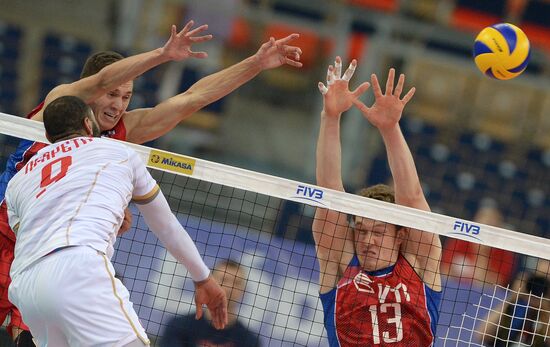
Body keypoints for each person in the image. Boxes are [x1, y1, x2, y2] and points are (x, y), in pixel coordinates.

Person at [0, 23, 303, 344]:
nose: (118, 105)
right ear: (89, 88)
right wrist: (163, 54)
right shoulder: (57, 106)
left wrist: (254, 63)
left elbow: (192, 99)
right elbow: (102, 79)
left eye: (127, 96)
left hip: (39, 258)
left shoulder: (123, 132)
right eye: (112, 94)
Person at [5, 96, 228, 346]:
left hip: (25, 286)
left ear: (47, 134)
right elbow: (165, 224)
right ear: (88, 125)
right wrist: (203, 277)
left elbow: (29, 234)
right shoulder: (117, 151)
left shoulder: (18, 181)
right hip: (76, 269)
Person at [312, 57, 442, 346]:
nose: (367, 240)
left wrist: (389, 129)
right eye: (361, 229)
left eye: (379, 231)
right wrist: (330, 118)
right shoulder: (342, 262)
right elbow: (329, 192)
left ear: (400, 235)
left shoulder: (418, 263)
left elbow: (412, 198)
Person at [160, 259, 260, 346]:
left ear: (244, 290)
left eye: (236, 283)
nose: (230, 288)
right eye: (224, 280)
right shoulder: (179, 326)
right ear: (211, 283)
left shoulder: (250, 341)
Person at [441, 204, 517, 286]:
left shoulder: (505, 254)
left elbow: (494, 285)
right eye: (486, 223)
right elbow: (444, 272)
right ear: (475, 222)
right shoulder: (458, 241)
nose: (488, 227)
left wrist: (482, 253)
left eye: (492, 225)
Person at [475, 273, 550, 346]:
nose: (537, 291)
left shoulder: (546, 316)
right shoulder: (514, 307)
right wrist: (513, 297)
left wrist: (546, 307)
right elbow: (482, 334)